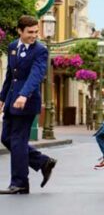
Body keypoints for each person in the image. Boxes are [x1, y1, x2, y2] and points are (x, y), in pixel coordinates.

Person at [0, 15, 57, 194]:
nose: (34, 36)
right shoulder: (12, 47)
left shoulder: (40, 50)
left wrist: (24, 94)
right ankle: (42, 162)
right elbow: (10, 75)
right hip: (11, 101)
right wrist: (2, 98)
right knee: (6, 138)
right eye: (30, 32)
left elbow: (36, 74)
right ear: (20, 31)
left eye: (36, 32)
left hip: (27, 102)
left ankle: (20, 183)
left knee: (18, 141)